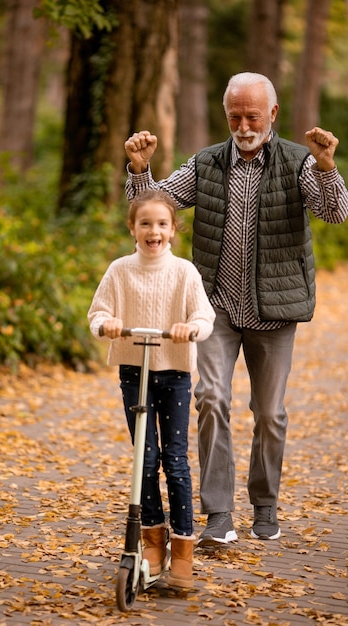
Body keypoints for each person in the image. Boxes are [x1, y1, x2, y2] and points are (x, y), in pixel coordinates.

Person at [124, 72, 348, 547]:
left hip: (275, 310)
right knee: (211, 399)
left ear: (273, 114)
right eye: (234, 116)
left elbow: (335, 212)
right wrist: (140, 171)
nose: (243, 125)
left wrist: (328, 167)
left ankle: (265, 506)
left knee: (269, 413)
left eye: (252, 115)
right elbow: (152, 210)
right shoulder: (205, 164)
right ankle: (219, 514)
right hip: (216, 308)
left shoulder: (298, 162)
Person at [88, 189, 216, 586]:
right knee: (144, 462)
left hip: (174, 373)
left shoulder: (184, 273)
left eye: (162, 224)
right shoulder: (120, 270)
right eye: (145, 223)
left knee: (175, 463)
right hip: (134, 371)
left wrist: (190, 328)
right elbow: (97, 313)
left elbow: (204, 316)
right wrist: (106, 324)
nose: (153, 231)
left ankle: (181, 552)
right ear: (132, 228)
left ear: (173, 230)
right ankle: (153, 543)